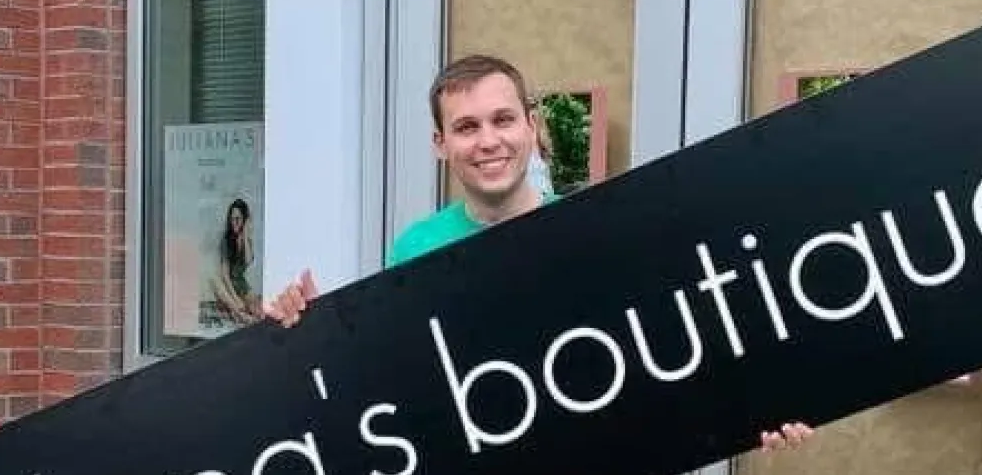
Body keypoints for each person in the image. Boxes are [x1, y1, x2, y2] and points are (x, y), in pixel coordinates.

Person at [266, 54, 816, 452]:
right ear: (440, 145)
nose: (488, 141)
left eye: (503, 119)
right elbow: (390, 382)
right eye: (466, 127)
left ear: (530, 125)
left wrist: (752, 405)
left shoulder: (594, 232)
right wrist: (311, 336)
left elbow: (665, 351)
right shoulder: (414, 249)